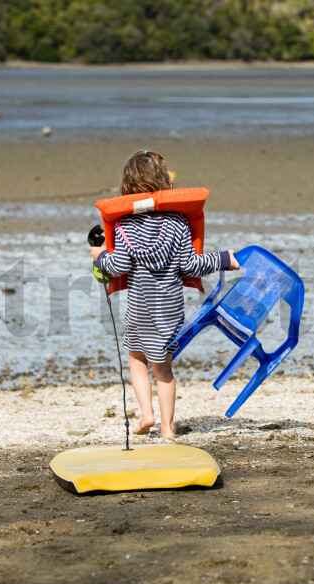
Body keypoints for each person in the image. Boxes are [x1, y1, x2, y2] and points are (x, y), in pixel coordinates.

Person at [90, 150, 239, 439]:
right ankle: (168, 428)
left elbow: (117, 265)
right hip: (169, 310)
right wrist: (224, 259)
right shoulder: (177, 223)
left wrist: (98, 256)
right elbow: (190, 265)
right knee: (164, 371)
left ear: (127, 187)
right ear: (164, 183)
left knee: (136, 359)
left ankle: (147, 415)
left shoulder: (124, 226)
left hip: (139, 310)